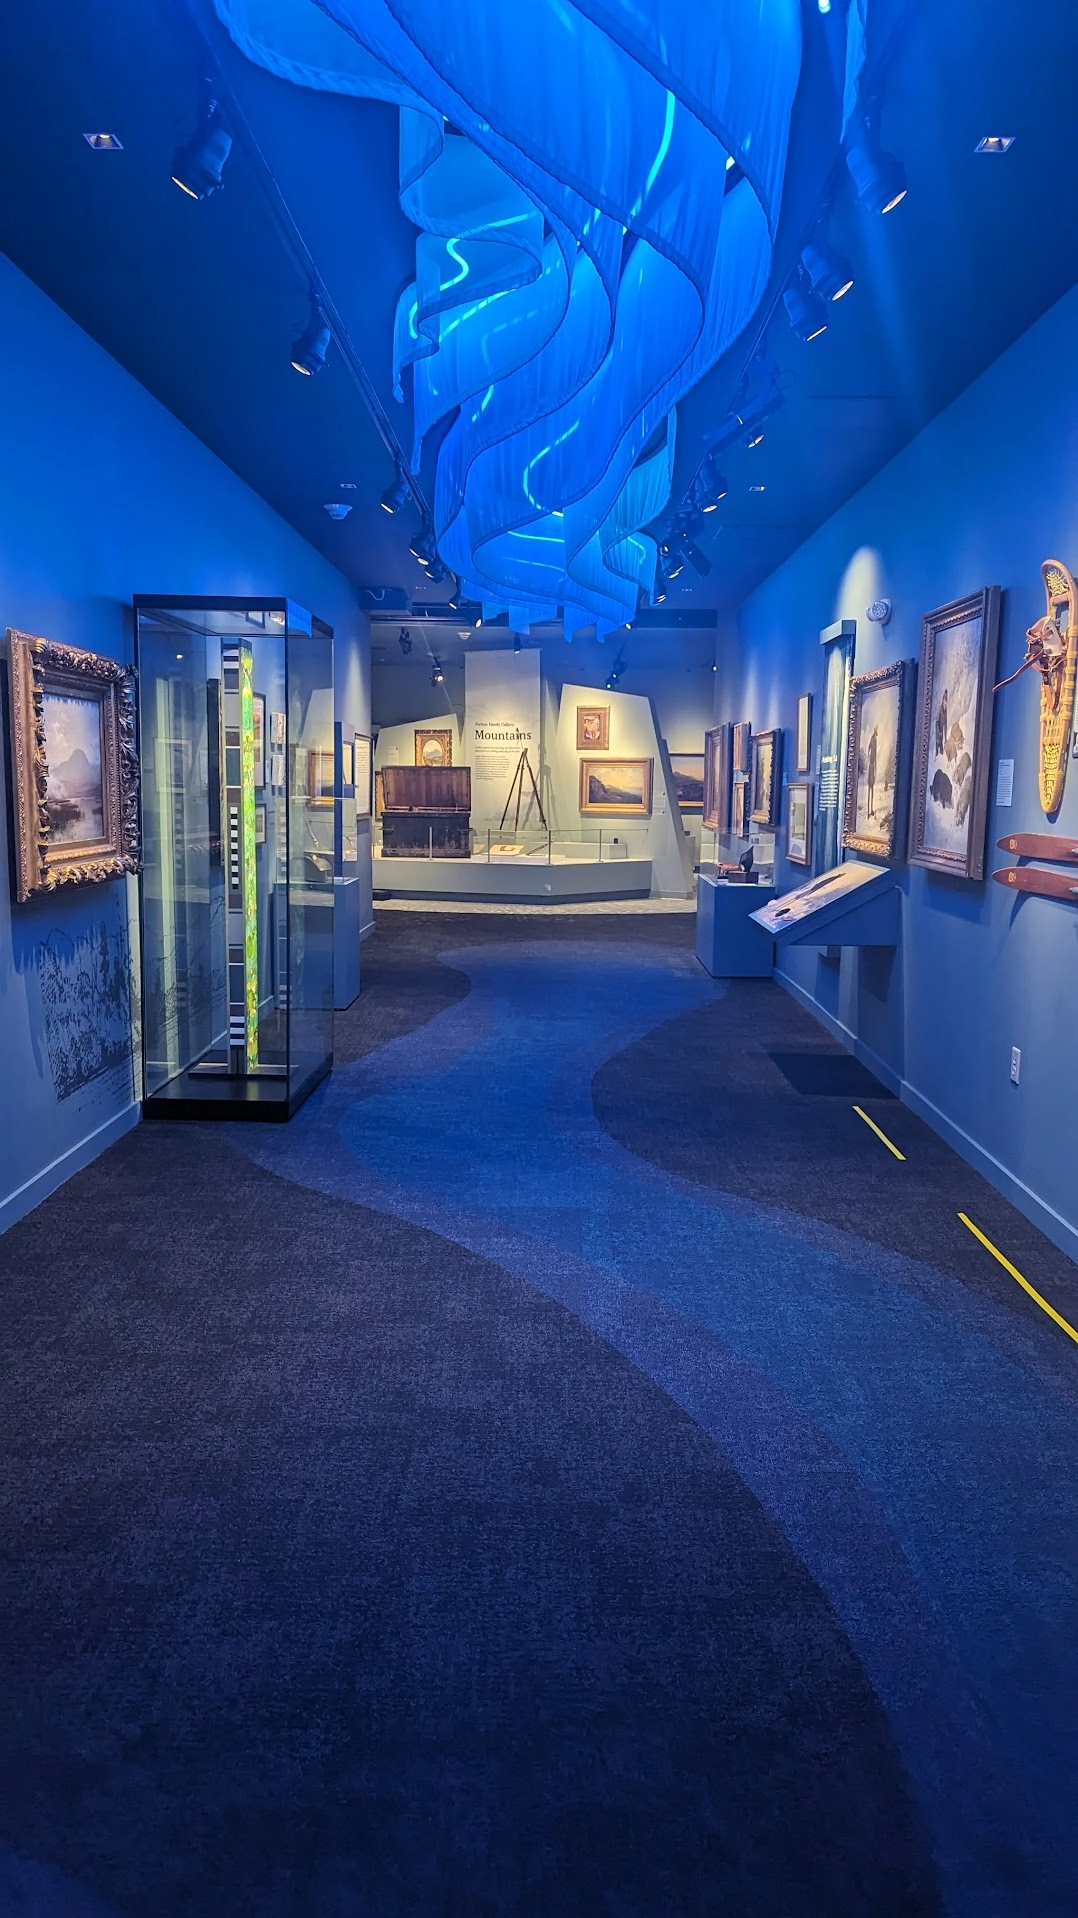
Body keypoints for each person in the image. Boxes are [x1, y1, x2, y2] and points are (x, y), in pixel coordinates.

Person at [866, 724, 878, 820]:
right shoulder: (872, 739)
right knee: (870, 788)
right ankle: (869, 811)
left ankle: (871, 810)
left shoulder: (875, 740)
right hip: (871, 765)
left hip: (872, 765)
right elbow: (869, 749)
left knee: (872, 788)